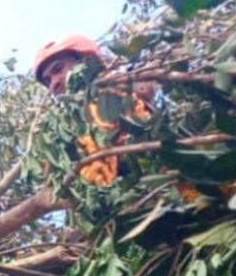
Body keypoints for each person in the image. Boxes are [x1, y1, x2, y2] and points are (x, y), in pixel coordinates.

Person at [32, 35, 154, 186]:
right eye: (48, 81)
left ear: (84, 61)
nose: (54, 83)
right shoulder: (71, 127)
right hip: (126, 194)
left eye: (58, 69)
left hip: (156, 171)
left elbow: (147, 88)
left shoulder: (114, 85)